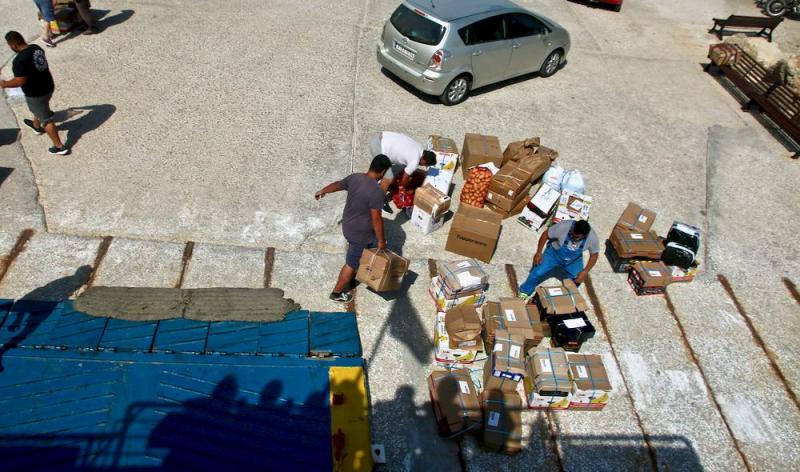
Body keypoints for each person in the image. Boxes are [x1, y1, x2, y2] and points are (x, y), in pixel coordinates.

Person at [315, 155, 391, 302]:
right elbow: (376, 219)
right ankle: (336, 294)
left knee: (360, 255)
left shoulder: (355, 178)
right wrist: (382, 240)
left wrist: (323, 190)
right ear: (382, 172)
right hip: (359, 235)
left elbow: (338, 184)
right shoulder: (377, 192)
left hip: (348, 226)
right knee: (351, 264)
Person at [1, 31, 69, 155]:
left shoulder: (19, 61)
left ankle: (59, 146)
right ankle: (36, 126)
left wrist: (4, 84)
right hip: (48, 86)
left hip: (36, 93)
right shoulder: (36, 48)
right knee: (39, 109)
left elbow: (20, 81)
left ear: (13, 45)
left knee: (47, 120)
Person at [518, 219, 599, 297]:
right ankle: (525, 291)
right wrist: (538, 253)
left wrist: (585, 271)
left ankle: (565, 297)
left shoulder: (592, 237)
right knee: (537, 272)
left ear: (584, 236)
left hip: (573, 260)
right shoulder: (564, 226)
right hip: (554, 254)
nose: (573, 238)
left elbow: (594, 255)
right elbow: (545, 234)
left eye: (576, 237)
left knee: (577, 279)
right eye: (572, 234)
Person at [369, 131, 437, 213]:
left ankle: (375, 183)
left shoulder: (419, 148)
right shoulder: (415, 160)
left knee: (399, 168)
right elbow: (405, 177)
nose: (423, 166)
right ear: (424, 160)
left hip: (380, 136)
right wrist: (404, 189)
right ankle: (380, 202)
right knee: (388, 177)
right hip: (379, 147)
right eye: (425, 164)